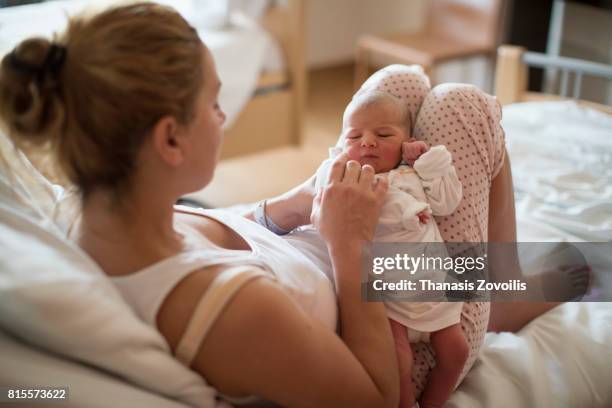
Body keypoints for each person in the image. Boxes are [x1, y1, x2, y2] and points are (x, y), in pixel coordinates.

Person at [0, 2, 563, 407]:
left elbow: (232, 234)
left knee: (395, 87)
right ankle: (501, 278)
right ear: (170, 140)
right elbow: (376, 399)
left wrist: (290, 206)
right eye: (214, 104)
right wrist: (351, 246)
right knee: (462, 107)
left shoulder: (91, 213)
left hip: (338, 237)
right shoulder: (229, 311)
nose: (222, 117)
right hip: (393, 304)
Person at [313, 82, 468, 408]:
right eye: (354, 137)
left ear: (406, 143)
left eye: (383, 135)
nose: (367, 142)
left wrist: (427, 161)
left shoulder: (412, 174)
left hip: (432, 288)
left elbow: (449, 203)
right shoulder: (348, 179)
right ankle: (405, 402)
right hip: (387, 297)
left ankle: (434, 402)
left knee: (457, 352)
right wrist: (337, 161)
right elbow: (322, 195)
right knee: (397, 359)